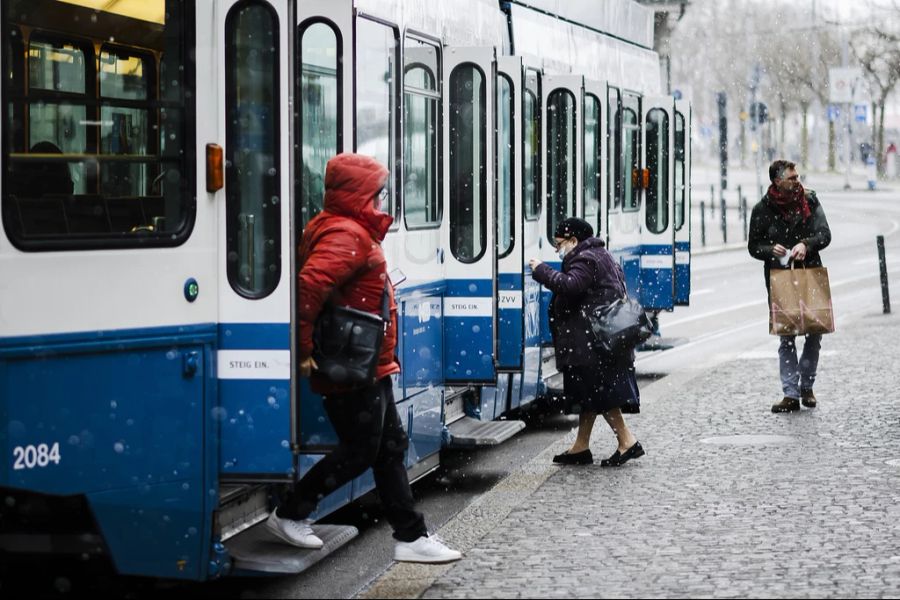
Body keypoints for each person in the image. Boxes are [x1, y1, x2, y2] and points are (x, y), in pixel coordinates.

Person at [266, 153, 461, 564]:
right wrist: (302, 352)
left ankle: (411, 537)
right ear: (359, 193)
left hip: (367, 363)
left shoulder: (348, 229)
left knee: (389, 446)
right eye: (376, 191)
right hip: (353, 366)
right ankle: (290, 512)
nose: (381, 199)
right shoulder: (346, 234)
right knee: (363, 450)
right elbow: (309, 288)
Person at [529, 218, 644, 467]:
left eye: (559, 244)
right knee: (590, 394)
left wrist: (541, 270)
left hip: (592, 341)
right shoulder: (599, 254)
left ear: (573, 241)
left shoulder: (586, 259)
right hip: (598, 340)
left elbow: (570, 286)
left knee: (598, 393)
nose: (557, 249)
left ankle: (627, 441)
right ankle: (581, 447)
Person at [748, 159, 832, 413]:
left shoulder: (810, 200)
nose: (797, 181)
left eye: (797, 177)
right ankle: (790, 394)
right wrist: (769, 250)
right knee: (786, 336)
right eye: (791, 178)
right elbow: (754, 246)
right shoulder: (762, 209)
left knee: (814, 332)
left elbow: (825, 234)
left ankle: (807, 386)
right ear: (777, 181)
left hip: (810, 273)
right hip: (780, 277)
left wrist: (806, 244)